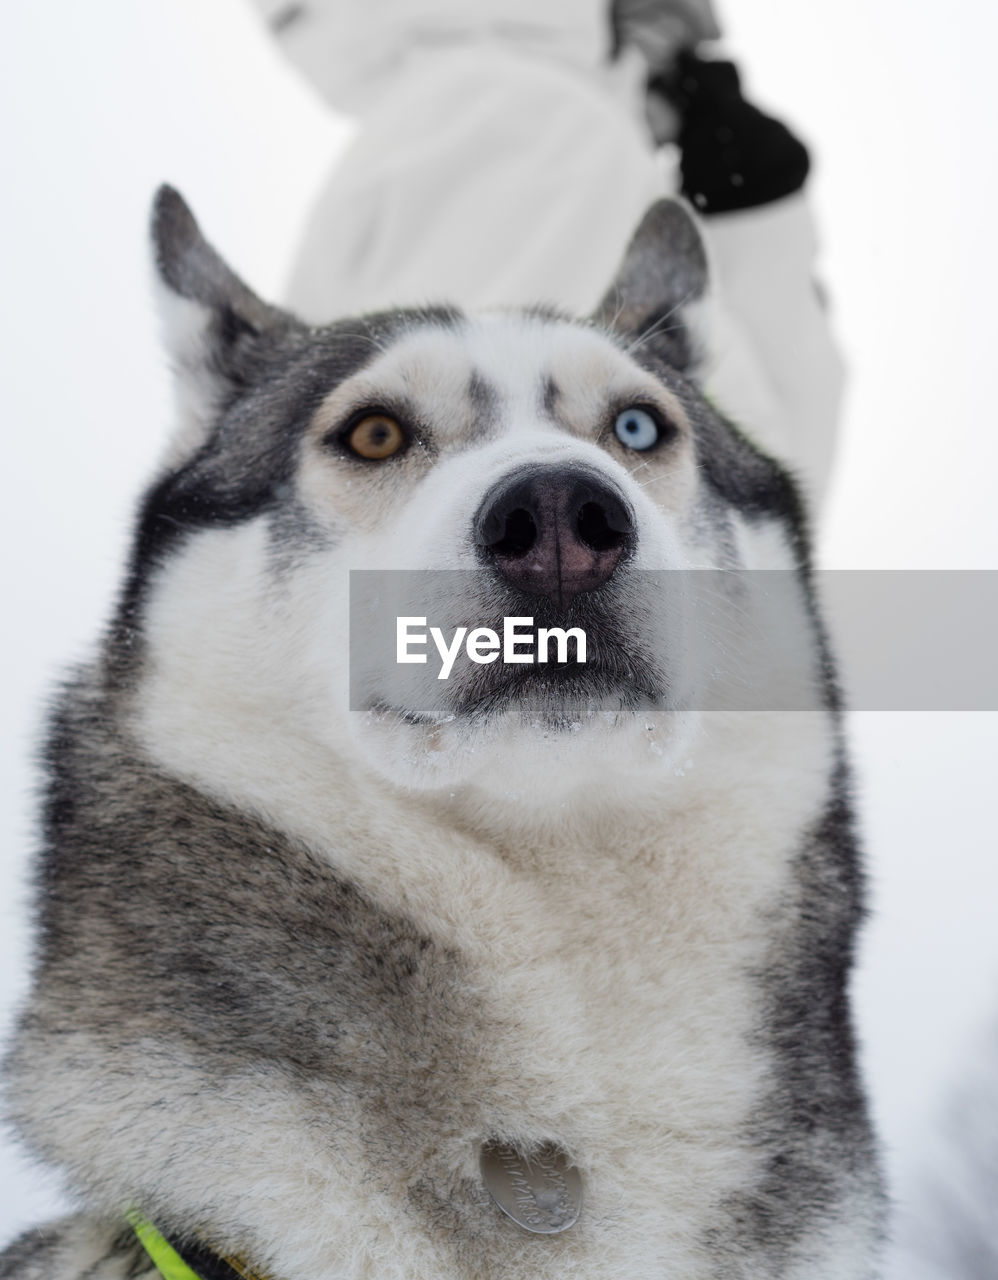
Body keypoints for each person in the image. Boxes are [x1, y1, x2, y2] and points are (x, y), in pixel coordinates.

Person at [248, 0, 843, 509]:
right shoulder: (531, 124)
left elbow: (768, 496)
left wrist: (758, 217)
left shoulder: (516, 119)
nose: (698, 30)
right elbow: (486, 488)